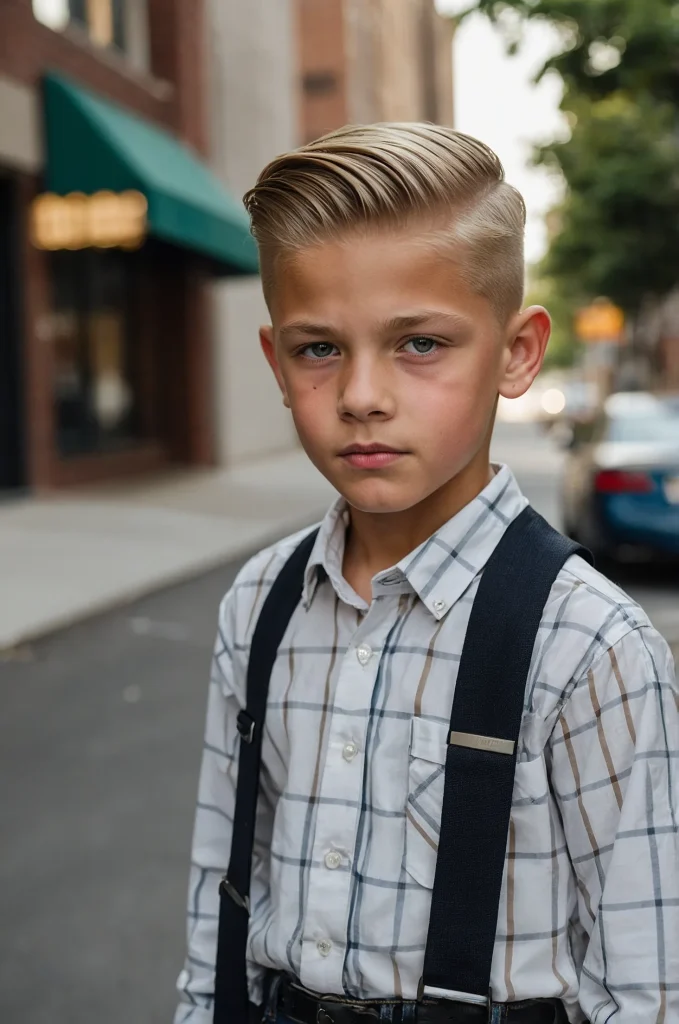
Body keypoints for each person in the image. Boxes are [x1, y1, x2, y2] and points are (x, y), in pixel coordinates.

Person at [174, 124, 678, 1024]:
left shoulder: (588, 644)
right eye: (317, 349)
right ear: (276, 365)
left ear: (517, 352)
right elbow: (222, 890)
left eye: (419, 344)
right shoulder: (260, 602)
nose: (362, 394)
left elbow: (649, 985)